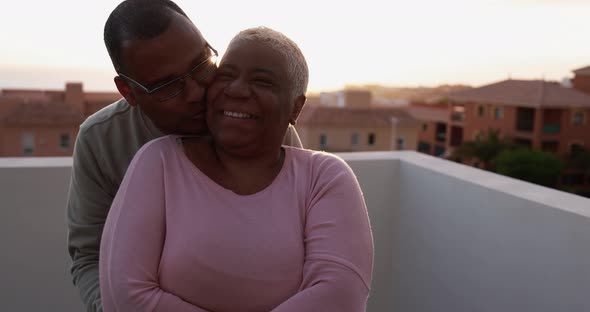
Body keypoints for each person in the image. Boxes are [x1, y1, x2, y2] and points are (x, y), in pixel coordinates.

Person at [99, 26, 374, 311]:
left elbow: (340, 294)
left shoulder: (324, 177)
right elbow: (126, 293)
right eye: (226, 75)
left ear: (295, 108)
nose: (237, 89)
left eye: (262, 82)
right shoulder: (158, 162)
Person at [66, 1, 302, 311]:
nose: (195, 93)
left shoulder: (259, 123)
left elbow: (304, 243)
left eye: (201, 66)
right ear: (128, 92)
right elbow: (90, 256)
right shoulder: (102, 140)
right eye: (166, 86)